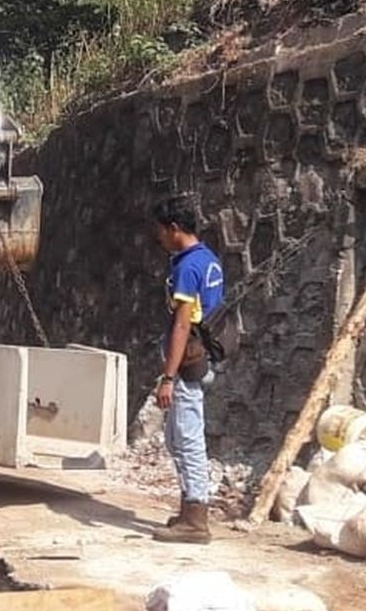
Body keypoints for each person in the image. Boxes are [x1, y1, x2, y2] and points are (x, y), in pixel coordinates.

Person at [151, 201, 225, 545]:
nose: (159, 237)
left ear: (174, 227)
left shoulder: (187, 268)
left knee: (187, 439)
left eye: (162, 229)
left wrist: (168, 376)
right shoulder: (208, 260)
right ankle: (188, 509)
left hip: (187, 361)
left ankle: (196, 518)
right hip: (201, 355)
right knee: (175, 438)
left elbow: (182, 324)